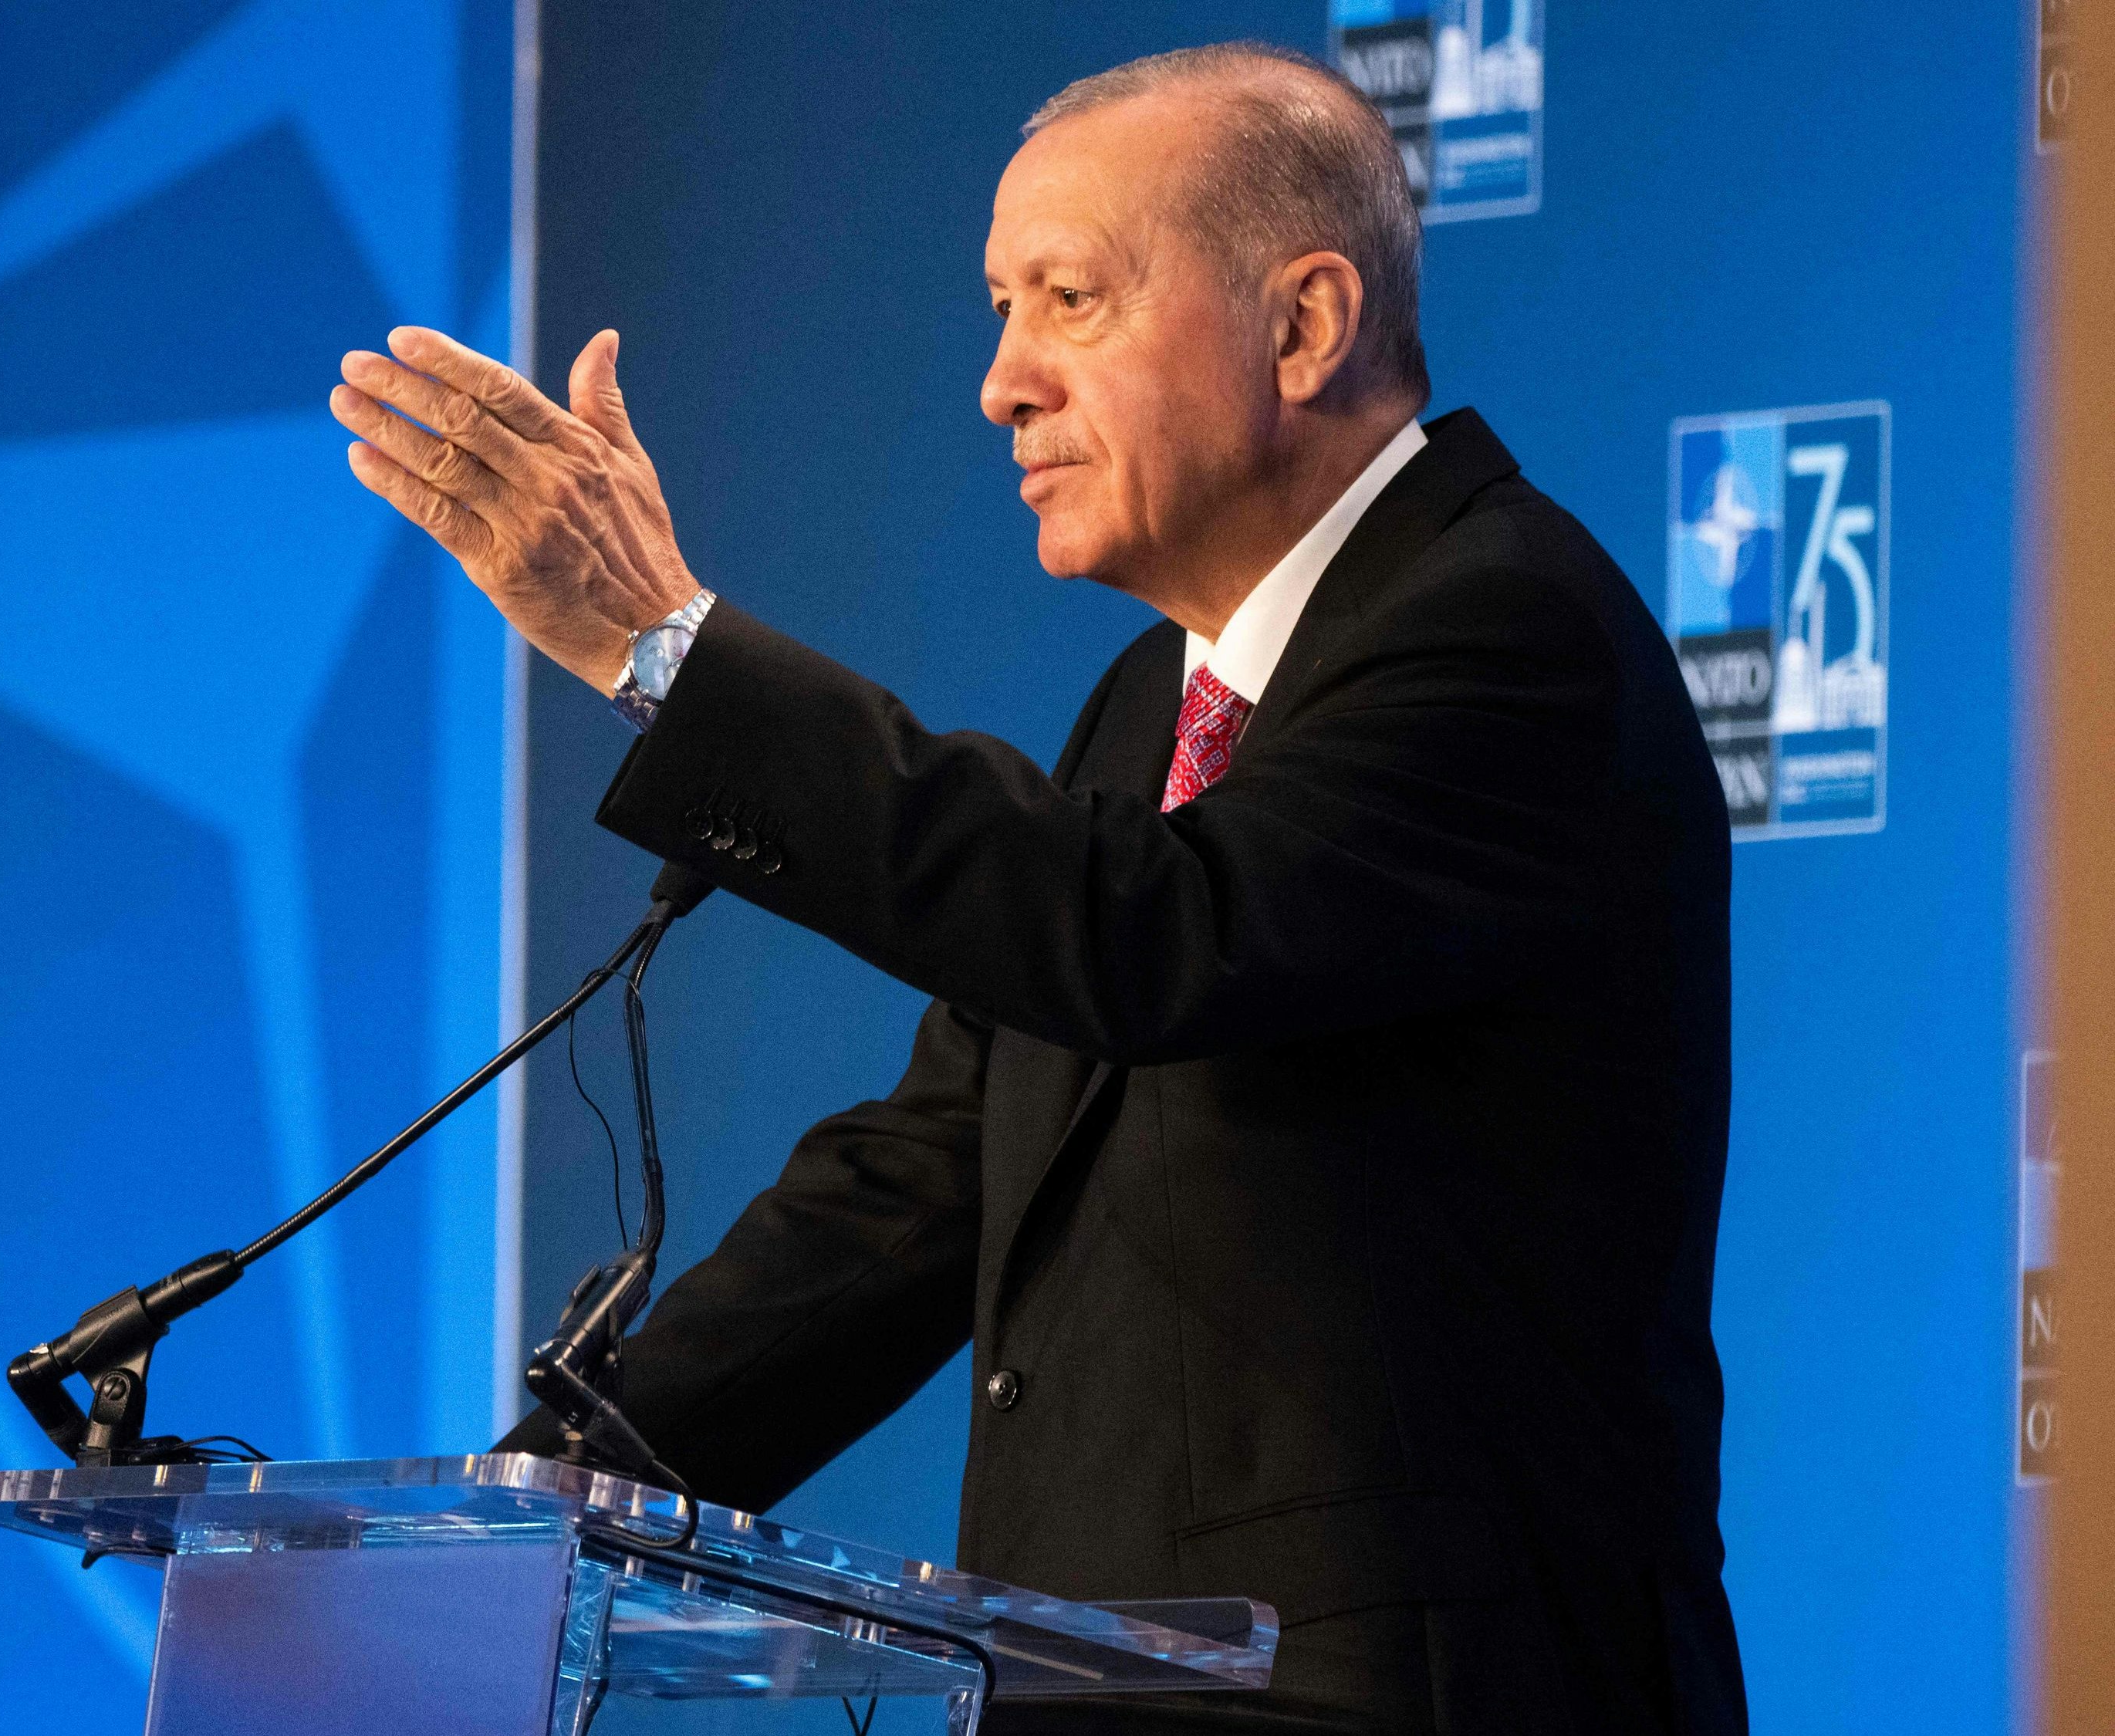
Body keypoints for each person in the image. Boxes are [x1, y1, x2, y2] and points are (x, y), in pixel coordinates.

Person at [327, 40, 1742, 1734]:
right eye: (1000, 310)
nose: (1002, 383)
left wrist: (671, 656)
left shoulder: (1505, 628)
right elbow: (924, 1186)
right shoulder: (1153, 705)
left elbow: (1157, 941)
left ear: (1303, 324)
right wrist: (507, 1527)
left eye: (1068, 300)